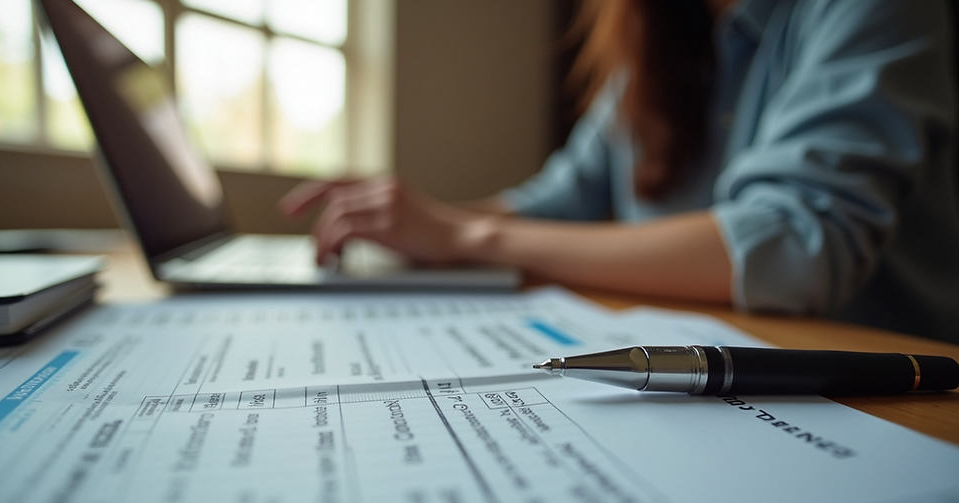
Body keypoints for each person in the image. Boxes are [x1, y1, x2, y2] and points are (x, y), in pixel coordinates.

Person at [281, 0, 959, 344]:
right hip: (696, 357)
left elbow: (789, 248)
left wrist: (466, 239)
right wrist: (414, 221)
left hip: (887, 390)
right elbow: (554, 203)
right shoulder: (655, 49)